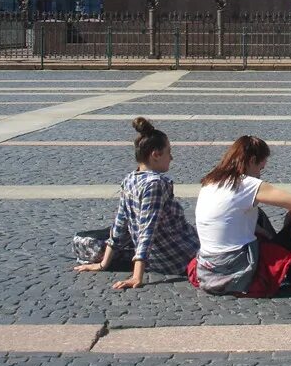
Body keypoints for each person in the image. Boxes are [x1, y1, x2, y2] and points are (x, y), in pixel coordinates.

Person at [75, 117, 199, 289]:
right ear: (155, 155)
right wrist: (137, 277)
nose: (172, 157)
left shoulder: (129, 180)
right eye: (168, 152)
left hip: (161, 258)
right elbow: (148, 230)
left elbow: (120, 224)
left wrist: (104, 264)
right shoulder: (155, 184)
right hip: (181, 255)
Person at [192, 136, 291, 296]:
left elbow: (228, 216)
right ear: (252, 160)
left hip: (208, 264)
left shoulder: (210, 181)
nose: (260, 175)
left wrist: (262, 231)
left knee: (256, 212)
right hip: (236, 263)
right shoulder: (247, 183)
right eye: (260, 169)